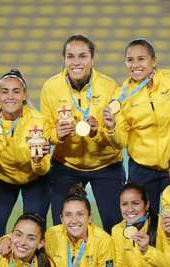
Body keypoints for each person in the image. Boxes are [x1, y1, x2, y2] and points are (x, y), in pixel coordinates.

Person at [40, 34, 124, 231]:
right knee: (62, 228)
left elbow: (117, 134)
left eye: (82, 56)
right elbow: (45, 132)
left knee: (115, 227)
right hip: (66, 165)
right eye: (70, 56)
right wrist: (56, 135)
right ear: (64, 59)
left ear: (92, 59)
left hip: (106, 165)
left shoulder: (110, 86)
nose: (76, 62)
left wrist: (98, 131)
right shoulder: (50, 87)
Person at [103, 39, 170, 214]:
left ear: (154, 61)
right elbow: (120, 142)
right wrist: (112, 128)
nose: (135, 65)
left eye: (141, 59)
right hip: (141, 169)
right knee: (144, 223)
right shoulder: (120, 95)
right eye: (130, 60)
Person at [0, 69, 52, 247]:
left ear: (24, 95)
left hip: (35, 179)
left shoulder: (39, 120)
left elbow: (44, 169)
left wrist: (38, 160)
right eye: (5, 91)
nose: (10, 96)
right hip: (0, 179)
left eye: (16, 91)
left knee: (34, 231)